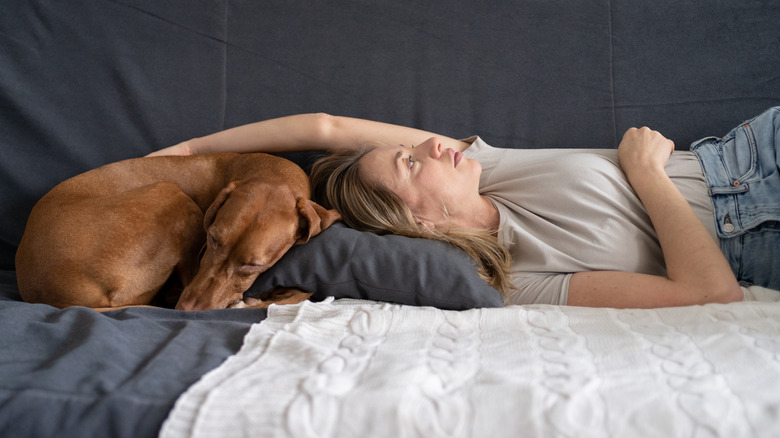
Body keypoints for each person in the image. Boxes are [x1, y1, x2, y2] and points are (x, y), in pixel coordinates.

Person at [148, 108, 780, 308]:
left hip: (753, 156)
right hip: (757, 251)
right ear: (419, 223)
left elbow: (328, 125)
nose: (427, 144)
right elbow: (711, 294)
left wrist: (192, 149)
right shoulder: (520, 283)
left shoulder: (492, 169)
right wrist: (646, 174)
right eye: (409, 163)